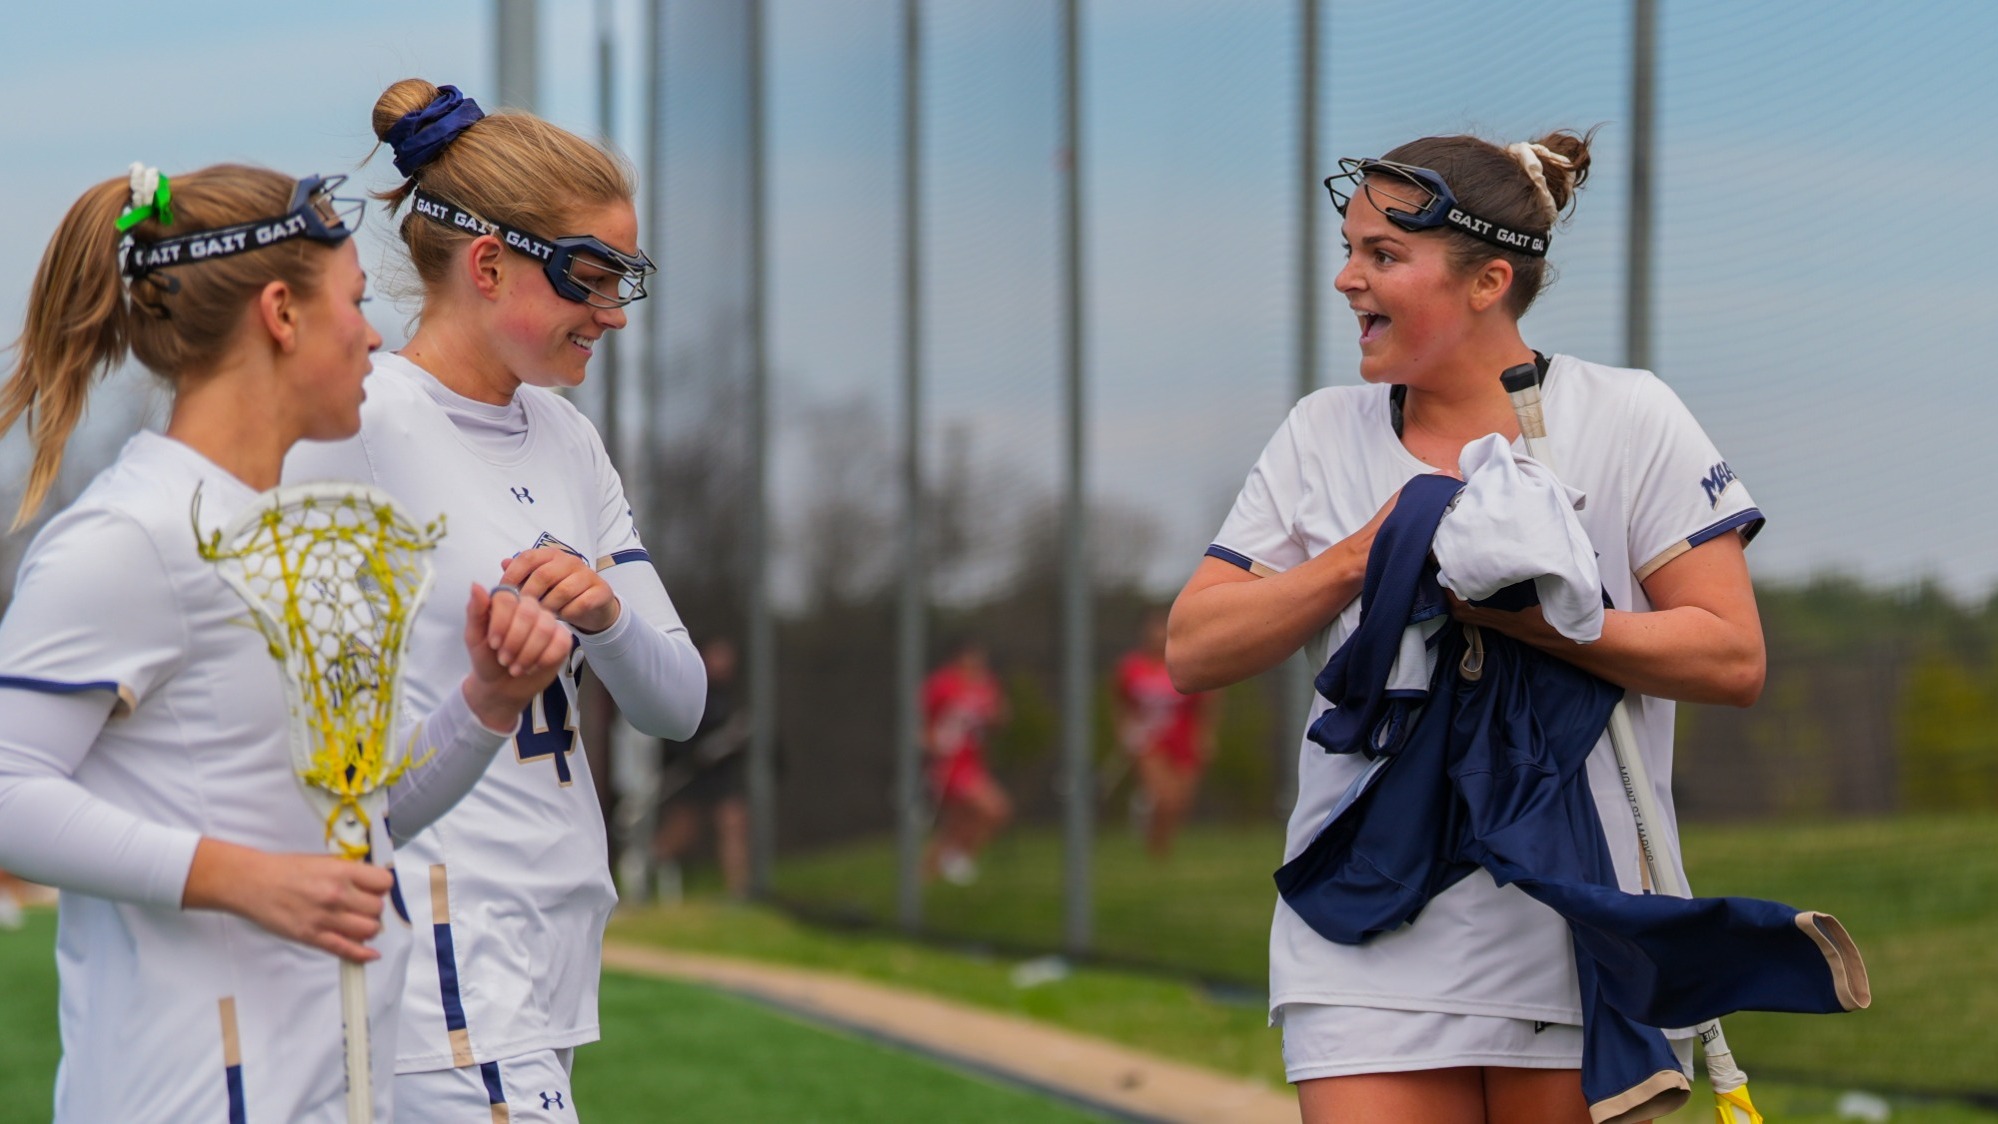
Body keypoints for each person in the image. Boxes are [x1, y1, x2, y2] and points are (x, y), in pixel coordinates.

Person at [1168, 131, 1766, 1124]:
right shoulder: (1323, 431)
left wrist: (1546, 621)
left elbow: (1731, 653)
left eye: (1382, 257)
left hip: (1579, 931)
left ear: (1489, 279)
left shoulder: (1630, 414)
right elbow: (1196, 645)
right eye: (1351, 248)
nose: (1345, 278)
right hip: (1362, 933)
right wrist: (1373, 550)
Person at [0, 164, 572, 1122]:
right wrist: (242, 880)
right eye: (353, 301)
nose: (376, 333)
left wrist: (488, 704)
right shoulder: (133, 536)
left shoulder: (278, 529)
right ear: (281, 314)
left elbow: (359, 818)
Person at [286, 80, 707, 1120]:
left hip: (545, 951)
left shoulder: (568, 439)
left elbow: (679, 703)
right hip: (441, 954)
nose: (610, 314)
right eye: (588, 279)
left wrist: (605, 613)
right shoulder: (361, 425)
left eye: (624, 281)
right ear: (488, 263)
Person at [651, 637, 750, 899]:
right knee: (681, 834)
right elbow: (674, 737)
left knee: (733, 825)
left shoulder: (732, 698)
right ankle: (643, 882)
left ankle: (739, 893)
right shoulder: (691, 692)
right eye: (717, 656)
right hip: (690, 778)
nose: (723, 663)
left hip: (722, 779)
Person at [1114, 610, 1215, 860]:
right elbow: (1119, 703)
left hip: (1183, 737)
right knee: (1165, 797)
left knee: (1181, 800)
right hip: (1149, 739)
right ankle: (1156, 851)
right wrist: (1124, 731)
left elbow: (1206, 702)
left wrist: (1205, 735)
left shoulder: (1184, 662)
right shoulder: (1131, 667)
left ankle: (1159, 838)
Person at [921, 639, 1011, 885]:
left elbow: (1000, 718)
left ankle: (927, 875)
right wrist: (932, 745)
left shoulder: (987, 684)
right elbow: (920, 723)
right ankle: (957, 860)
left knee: (959, 823)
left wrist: (994, 718)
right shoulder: (941, 685)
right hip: (950, 764)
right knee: (995, 809)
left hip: (974, 761)